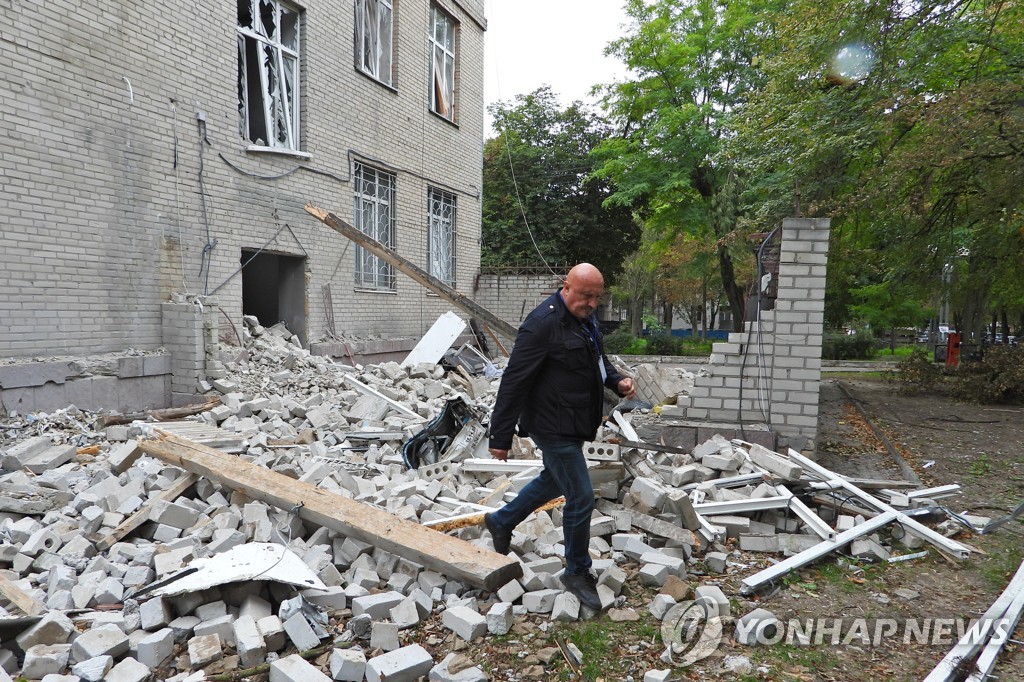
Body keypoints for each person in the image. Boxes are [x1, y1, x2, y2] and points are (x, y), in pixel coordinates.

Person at [484, 263, 636, 611]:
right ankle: (577, 571)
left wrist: (616, 380)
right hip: (550, 425)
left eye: (597, 297)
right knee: (581, 496)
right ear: (565, 287)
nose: (593, 304)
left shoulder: (585, 319)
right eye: (586, 296)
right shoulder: (541, 325)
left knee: (555, 480)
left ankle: (501, 520)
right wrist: (500, 436)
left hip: (573, 420)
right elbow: (514, 381)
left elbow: (598, 359)